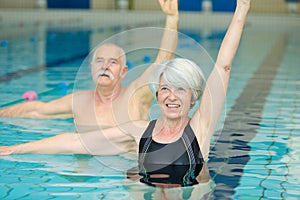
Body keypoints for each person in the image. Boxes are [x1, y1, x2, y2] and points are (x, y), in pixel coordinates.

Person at [0, 0, 250, 187]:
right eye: (165, 88)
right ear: (157, 96)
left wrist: (242, 8)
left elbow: (223, 66)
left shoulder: (200, 129)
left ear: (193, 97)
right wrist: (16, 149)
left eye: (180, 89)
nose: (172, 96)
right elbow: (76, 142)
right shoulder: (139, 130)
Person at [0, 0, 179, 133]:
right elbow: (37, 110)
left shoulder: (135, 97)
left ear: (123, 72)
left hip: (128, 168)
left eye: (113, 62)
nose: (105, 67)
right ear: (92, 68)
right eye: (100, 61)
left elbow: (162, 62)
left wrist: (171, 19)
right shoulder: (79, 101)